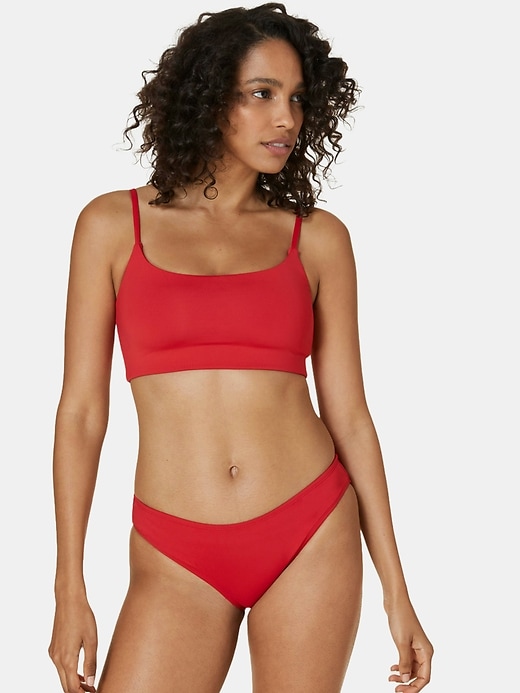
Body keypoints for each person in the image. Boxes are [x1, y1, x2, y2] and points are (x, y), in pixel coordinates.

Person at [48, 3, 433, 692]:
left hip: (310, 531)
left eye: (297, 99)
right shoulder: (112, 225)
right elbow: (81, 413)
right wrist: (68, 584)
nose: (286, 118)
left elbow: (350, 416)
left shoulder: (316, 238)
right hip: (174, 552)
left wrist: (396, 591)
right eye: (262, 94)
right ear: (207, 97)